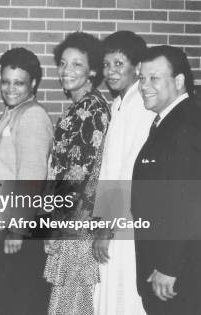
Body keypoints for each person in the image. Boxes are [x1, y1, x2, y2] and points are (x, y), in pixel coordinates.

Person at [43, 32, 110, 315]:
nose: (66, 70)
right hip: (71, 221)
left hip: (77, 224)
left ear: (92, 70)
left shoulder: (91, 109)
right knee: (69, 301)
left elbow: (78, 175)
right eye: (63, 63)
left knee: (73, 302)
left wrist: (54, 222)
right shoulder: (81, 107)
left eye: (77, 64)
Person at [131, 45, 201, 314]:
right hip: (165, 267)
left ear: (179, 81)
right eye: (141, 78)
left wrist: (170, 266)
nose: (144, 86)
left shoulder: (187, 124)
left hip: (178, 275)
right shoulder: (167, 121)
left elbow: (191, 202)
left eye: (154, 78)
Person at [91, 31, 151, 315]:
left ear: (136, 67)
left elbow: (127, 171)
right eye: (106, 64)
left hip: (124, 222)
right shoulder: (119, 103)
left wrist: (107, 226)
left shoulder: (141, 105)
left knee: (123, 295)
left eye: (118, 63)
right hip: (114, 217)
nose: (110, 71)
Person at [0, 47, 52, 314]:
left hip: (22, 228)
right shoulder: (12, 112)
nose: (10, 88)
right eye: (6, 81)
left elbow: (31, 176)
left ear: (33, 84)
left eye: (18, 83)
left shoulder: (32, 116)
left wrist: (16, 229)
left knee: (22, 301)